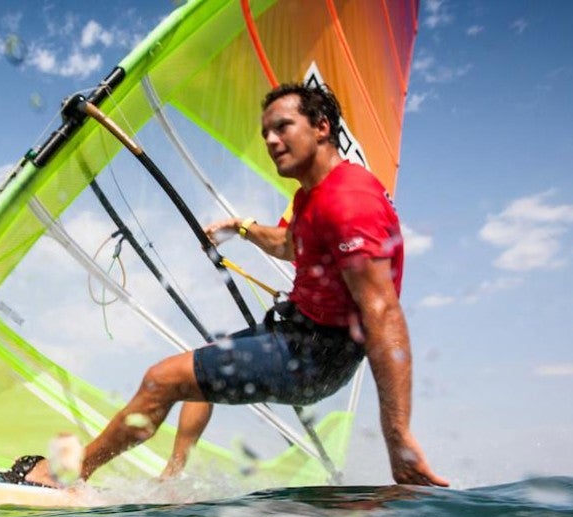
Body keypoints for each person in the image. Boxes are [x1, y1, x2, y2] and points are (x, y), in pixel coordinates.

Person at [29, 83, 448, 488]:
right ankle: (174, 475)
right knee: (198, 370)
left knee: (161, 379)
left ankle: (69, 476)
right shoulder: (311, 194)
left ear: (322, 127)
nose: (270, 140)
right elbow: (289, 244)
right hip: (294, 331)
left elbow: (383, 312)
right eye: (265, 132)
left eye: (282, 127)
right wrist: (243, 228)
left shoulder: (350, 202)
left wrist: (397, 435)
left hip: (316, 354)